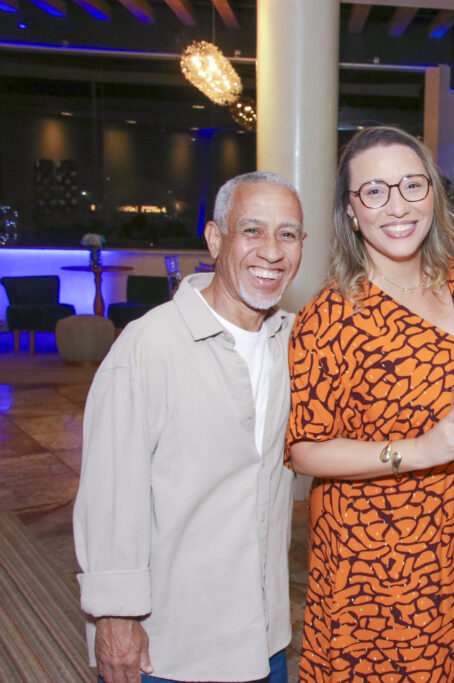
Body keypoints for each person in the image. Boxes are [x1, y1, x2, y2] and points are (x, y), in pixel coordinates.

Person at [286, 125, 454, 681]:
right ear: (350, 210)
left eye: (411, 185)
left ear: (432, 192)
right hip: (377, 558)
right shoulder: (331, 316)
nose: (398, 206)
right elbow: (305, 449)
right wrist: (420, 449)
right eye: (374, 191)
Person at [73, 172, 305, 683]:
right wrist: (115, 617)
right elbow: (111, 494)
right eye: (252, 230)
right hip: (172, 647)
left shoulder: (296, 344)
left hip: (265, 637)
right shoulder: (149, 346)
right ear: (215, 239)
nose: (272, 251)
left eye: (288, 234)